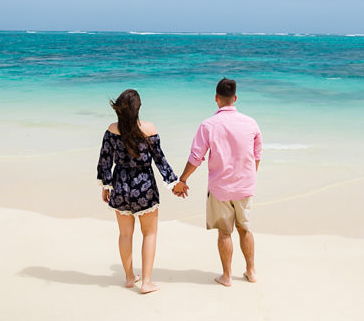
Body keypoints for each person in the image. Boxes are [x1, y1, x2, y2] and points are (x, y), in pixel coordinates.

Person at [172, 77, 262, 285]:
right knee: (245, 229)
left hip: (220, 188)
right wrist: (249, 177)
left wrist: (183, 179)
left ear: (216, 98)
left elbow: (196, 157)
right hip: (245, 187)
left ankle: (227, 276)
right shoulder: (251, 123)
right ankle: (251, 271)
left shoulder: (208, 125)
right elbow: (257, 155)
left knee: (224, 232)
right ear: (235, 98)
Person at [97, 89, 178, 294]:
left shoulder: (111, 130)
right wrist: (174, 183)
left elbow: (105, 161)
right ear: (138, 109)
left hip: (121, 185)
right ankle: (147, 282)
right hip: (145, 187)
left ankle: (129, 277)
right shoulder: (148, 129)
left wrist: (106, 186)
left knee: (125, 234)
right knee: (149, 234)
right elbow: (160, 160)